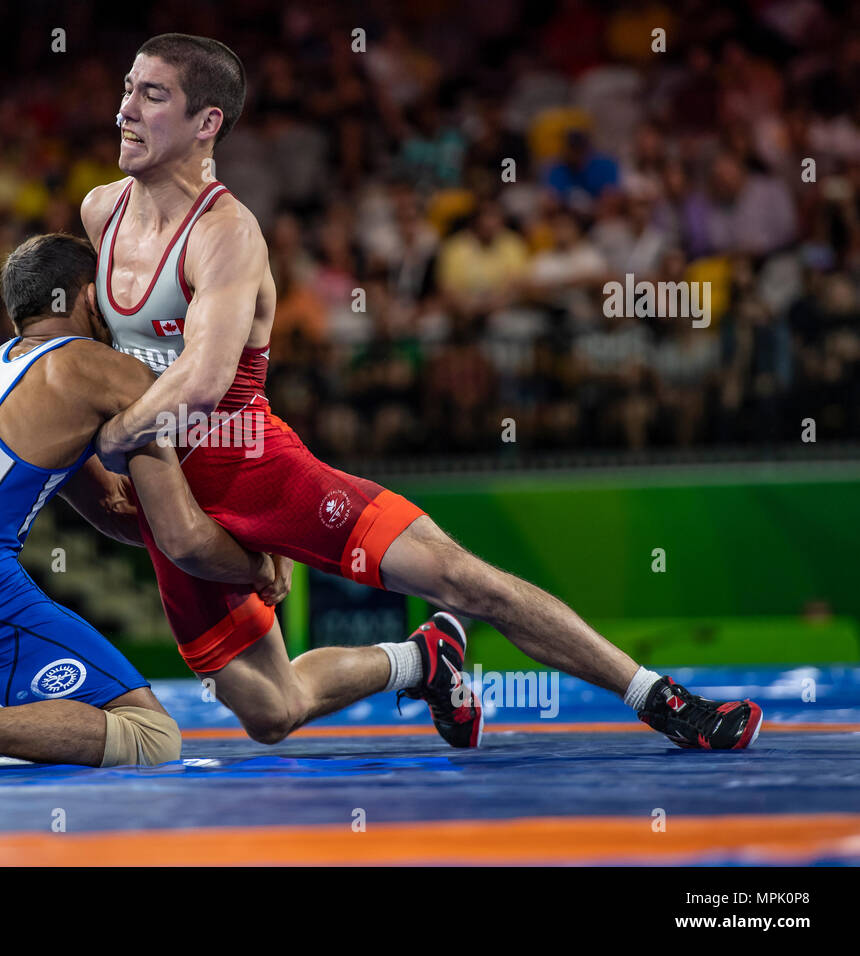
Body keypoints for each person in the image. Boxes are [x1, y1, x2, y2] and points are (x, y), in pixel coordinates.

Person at [83, 33, 761, 751]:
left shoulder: (228, 232)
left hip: (253, 467)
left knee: (464, 580)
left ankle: (662, 700)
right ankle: (422, 661)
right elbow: (94, 351)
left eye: (151, 95)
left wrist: (110, 436)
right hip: (168, 492)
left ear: (207, 122)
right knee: (270, 712)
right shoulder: (102, 211)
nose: (125, 109)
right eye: (127, 88)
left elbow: (204, 380)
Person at [0, 233, 287, 773]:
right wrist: (255, 563)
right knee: (151, 736)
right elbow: (182, 535)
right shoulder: (100, 368)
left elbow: (116, 512)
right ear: (90, 297)